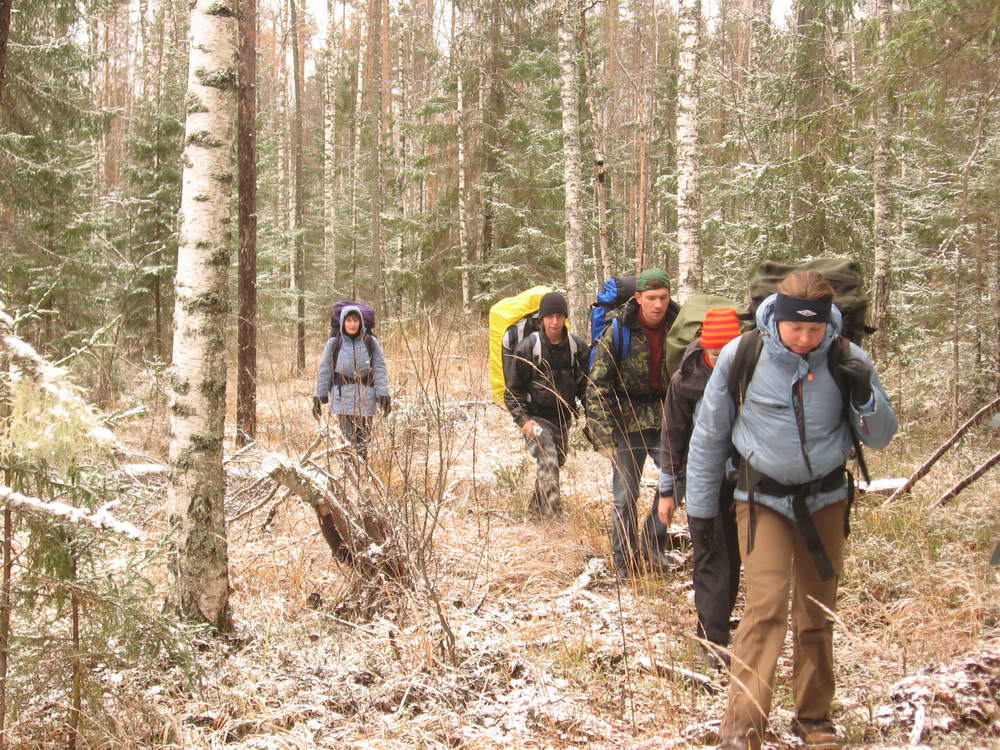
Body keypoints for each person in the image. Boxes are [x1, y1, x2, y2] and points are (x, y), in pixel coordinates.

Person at [683, 271, 898, 750]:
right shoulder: (743, 355)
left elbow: (881, 436)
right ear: (776, 318)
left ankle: (814, 718)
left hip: (826, 500)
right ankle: (742, 729)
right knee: (764, 607)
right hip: (761, 500)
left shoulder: (847, 356)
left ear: (827, 323)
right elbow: (709, 435)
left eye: (813, 329)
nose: (804, 338)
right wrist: (700, 511)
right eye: (795, 327)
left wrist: (863, 393)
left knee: (816, 611)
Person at [657, 307, 743, 670]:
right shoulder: (685, 380)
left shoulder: (753, 373)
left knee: (734, 559)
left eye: (726, 352)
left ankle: (720, 629)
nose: (719, 359)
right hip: (702, 480)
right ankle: (711, 641)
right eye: (714, 352)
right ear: (704, 348)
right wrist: (667, 492)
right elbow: (673, 436)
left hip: (745, 481)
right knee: (710, 557)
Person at [586, 267, 680, 577]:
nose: (658, 304)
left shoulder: (679, 327)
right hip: (626, 423)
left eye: (663, 297)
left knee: (678, 481)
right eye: (651, 298)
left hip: (667, 419)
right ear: (638, 298)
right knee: (625, 496)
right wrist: (602, 436)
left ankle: (652, 544)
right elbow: (597, 385)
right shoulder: (619, 330)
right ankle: (624, 562)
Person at [503, 291, 588, 517]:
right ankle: (553, 521)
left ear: (565, 317)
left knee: (555, 463)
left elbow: (585, 387)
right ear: (542, 319)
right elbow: (512, 391)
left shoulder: (576, 347)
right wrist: (524, 421)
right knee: (549, 462)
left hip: (562, 418)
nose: (555, 321)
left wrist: (593, 415)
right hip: (536, 418)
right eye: (550, 316)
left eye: (559, 316)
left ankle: (534, 513)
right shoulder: (527, 348)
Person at [313, 305, 391, 462]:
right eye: (348, 320)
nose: (352, 324)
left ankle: (362, 470)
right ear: (343, 322)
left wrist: (384, 395)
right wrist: (319, 396)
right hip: (343, 397)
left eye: (355, 320)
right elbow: (325, 369)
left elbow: (379, 368)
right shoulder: (334, 343)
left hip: (366, 397)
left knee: (363, 441)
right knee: (347, 442)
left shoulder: (370, 341)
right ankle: (349, 471)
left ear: (361, 322)